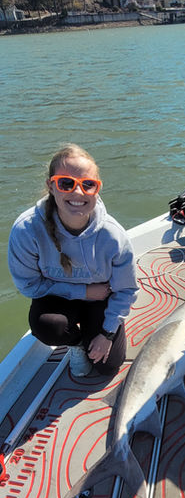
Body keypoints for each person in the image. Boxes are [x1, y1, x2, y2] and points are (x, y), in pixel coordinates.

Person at [8, 143, 138, 377]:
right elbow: (28, 285)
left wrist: (107, 334)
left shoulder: (113, 236)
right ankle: (76, 344)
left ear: (97, 190)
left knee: (108, 367)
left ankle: (102, 329)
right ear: (51, 186)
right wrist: (85, 291)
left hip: (102, 297)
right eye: (66, 183)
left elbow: (126, 290)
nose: (78, 193)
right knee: (48, 326)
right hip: (58, 297)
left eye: (88, 185)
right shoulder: (26, 230)